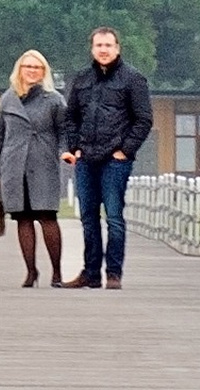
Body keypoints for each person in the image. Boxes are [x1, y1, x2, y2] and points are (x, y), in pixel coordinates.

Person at [62, 26, 153, 290]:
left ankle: (113, 273)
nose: (103, 50)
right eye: (99, 45)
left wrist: (125, 151)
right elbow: (71, 117)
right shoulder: (81, 79)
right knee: (88, 218)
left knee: (113, 217)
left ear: (117, 48)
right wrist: (75, 147)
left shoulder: (133, 79)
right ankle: (90, 274)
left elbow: (143, 120)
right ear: (92, 49)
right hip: (86, 159)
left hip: (115, 160)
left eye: (108, 45)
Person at [0, 50, 70, 288]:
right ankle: (31, 271)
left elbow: (64, 131)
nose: (32, 71)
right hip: (13, 165)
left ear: (44, 71)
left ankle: (57, 273)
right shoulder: (7, 99)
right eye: (28, 66)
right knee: (22, 218)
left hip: (43, 162)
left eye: (37, 67)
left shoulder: (54, 99)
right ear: (20, 69)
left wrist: (64, 151)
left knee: (47, 217)